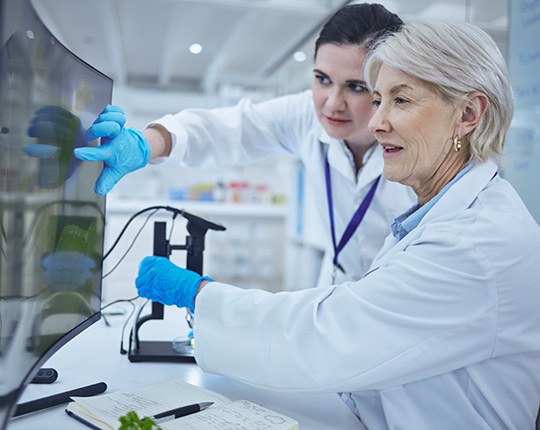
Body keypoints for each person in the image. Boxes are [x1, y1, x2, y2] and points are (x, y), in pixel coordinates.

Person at [135, 21, 540, 428]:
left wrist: (199, 294)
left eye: (400, 101)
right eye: (379, 99)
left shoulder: (474, 243)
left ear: (468, 114)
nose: (376, 121)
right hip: (370, 389)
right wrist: (149, 140)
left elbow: (333, 335)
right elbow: (236, 128)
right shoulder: (443, 205)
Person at [76, 4, 416, 286]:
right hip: (338, 292)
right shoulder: (304, 115)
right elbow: (226, 130)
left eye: (355, 87)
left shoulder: (420, 147)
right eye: (322, 79)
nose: (331, 103)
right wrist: (146, 144)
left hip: (405, 307)